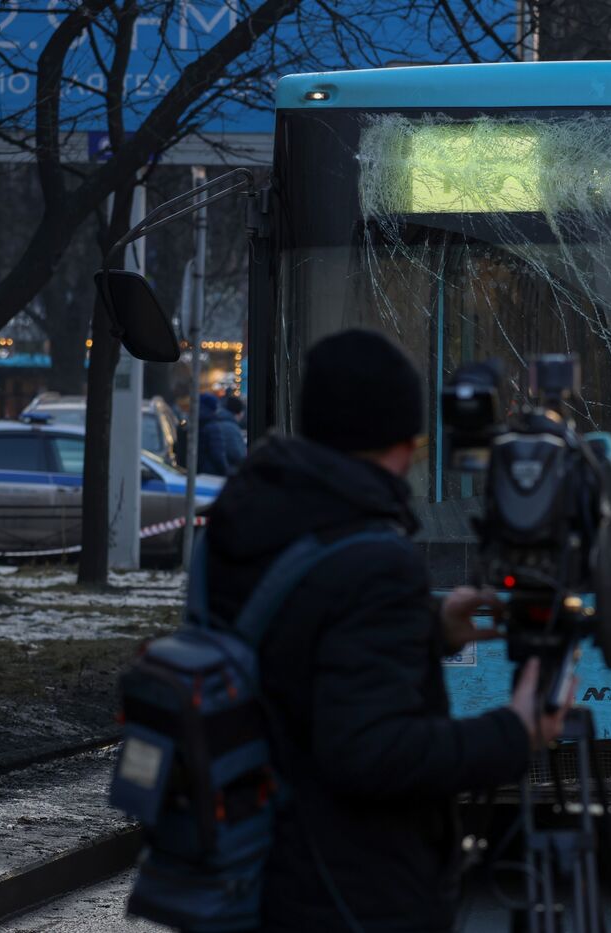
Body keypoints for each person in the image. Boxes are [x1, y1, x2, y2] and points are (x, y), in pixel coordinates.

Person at [203, 330, 565, 931]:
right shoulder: (374, 558)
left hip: (256, 868)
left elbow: (297, 654)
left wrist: (428, 629)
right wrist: (514, 732)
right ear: (400, 443)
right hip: (350, 894)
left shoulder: (250, 518)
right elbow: (370, 754)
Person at [196, 392, 246, 476]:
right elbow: (233, 454)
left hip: (202, 473)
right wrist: (227, 471)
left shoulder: (202, 424)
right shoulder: (223, 427)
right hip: (213, 474)